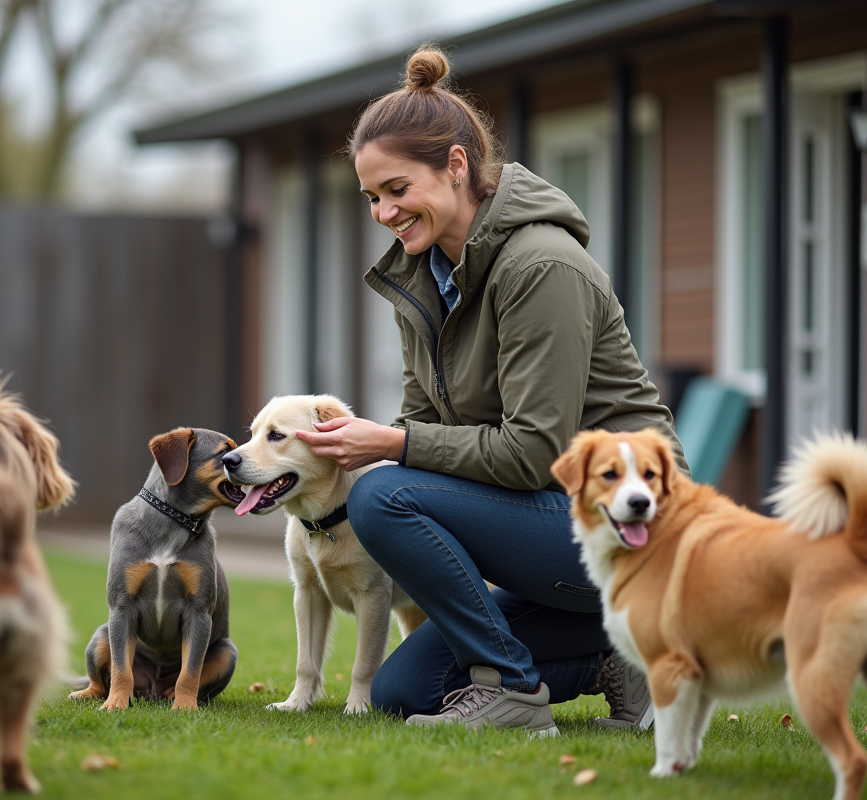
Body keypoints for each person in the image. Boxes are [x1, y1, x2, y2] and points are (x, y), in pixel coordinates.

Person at [294, 45, 687, 735]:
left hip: (631, 532)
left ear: (455, 165)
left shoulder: (542, 267)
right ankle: (614, 657)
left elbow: (535, 452)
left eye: (397, 189)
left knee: (382, 495)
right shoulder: (423, 279)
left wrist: (388, 445)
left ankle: (513, 688)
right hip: (554, 532)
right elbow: (425, 426)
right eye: (372, 198)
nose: (384, 213)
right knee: (404, 690)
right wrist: (368, 448)